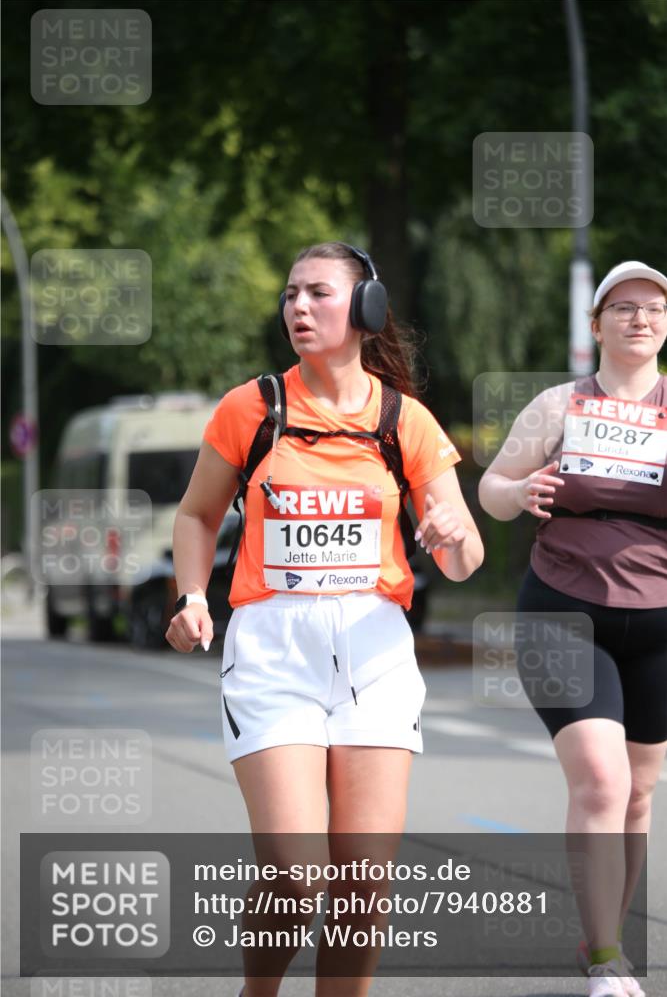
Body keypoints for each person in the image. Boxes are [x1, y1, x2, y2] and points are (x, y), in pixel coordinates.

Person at [166, 241, 484, 997]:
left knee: (363, 886)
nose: (298, 308)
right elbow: (196, 514)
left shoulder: (404, 420)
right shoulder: (252, 408)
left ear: (366, 309)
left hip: (375, 659)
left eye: (317, 293)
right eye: (289, 295)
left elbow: (463, 555)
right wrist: (189, 596)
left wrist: (451, 538)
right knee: (296, 875)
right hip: (274, 656)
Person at [478, 261, 667, 997]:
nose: (639, 318)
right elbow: (491, 490)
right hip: (562, 610)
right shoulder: (558, 403)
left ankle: (600, 937)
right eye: (622, 307)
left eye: (653, 308)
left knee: (637, 794)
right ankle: (607, 964)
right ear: (596, 326)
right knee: (599, 777)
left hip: (657, 619)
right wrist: (519, 489)